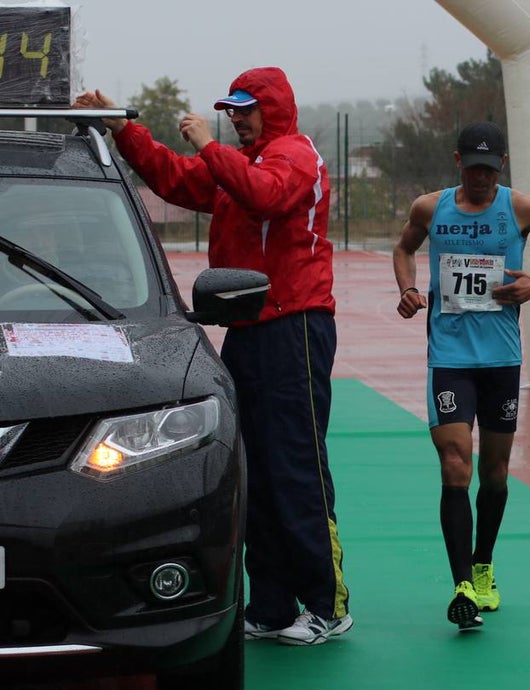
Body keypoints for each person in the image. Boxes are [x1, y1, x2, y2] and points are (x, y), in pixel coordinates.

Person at [73, 67, 352, 647]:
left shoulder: (294, 156)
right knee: (258, 471)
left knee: (296, 468)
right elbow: (177, 181)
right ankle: (273, 607)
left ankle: (327, 604)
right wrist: (124, 128)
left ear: (273, 110)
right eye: (231, 109)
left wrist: (206, 142)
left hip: (294, 329)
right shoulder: (242, 163)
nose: (236, 118)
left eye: (246, 109)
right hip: (250, 329)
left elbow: (265, 196)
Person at [392, 121, 530, 630]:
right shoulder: (430, 208)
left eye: (489, 169)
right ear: (458, 162)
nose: (480, 178)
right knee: (456, 464)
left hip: (501, 360)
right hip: (450, 360)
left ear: (500, 165)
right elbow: (404, 248)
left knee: (495, 474)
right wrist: (408, 290)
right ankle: (461, 587)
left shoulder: (520, 208)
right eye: (472, 168)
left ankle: (483, 566)